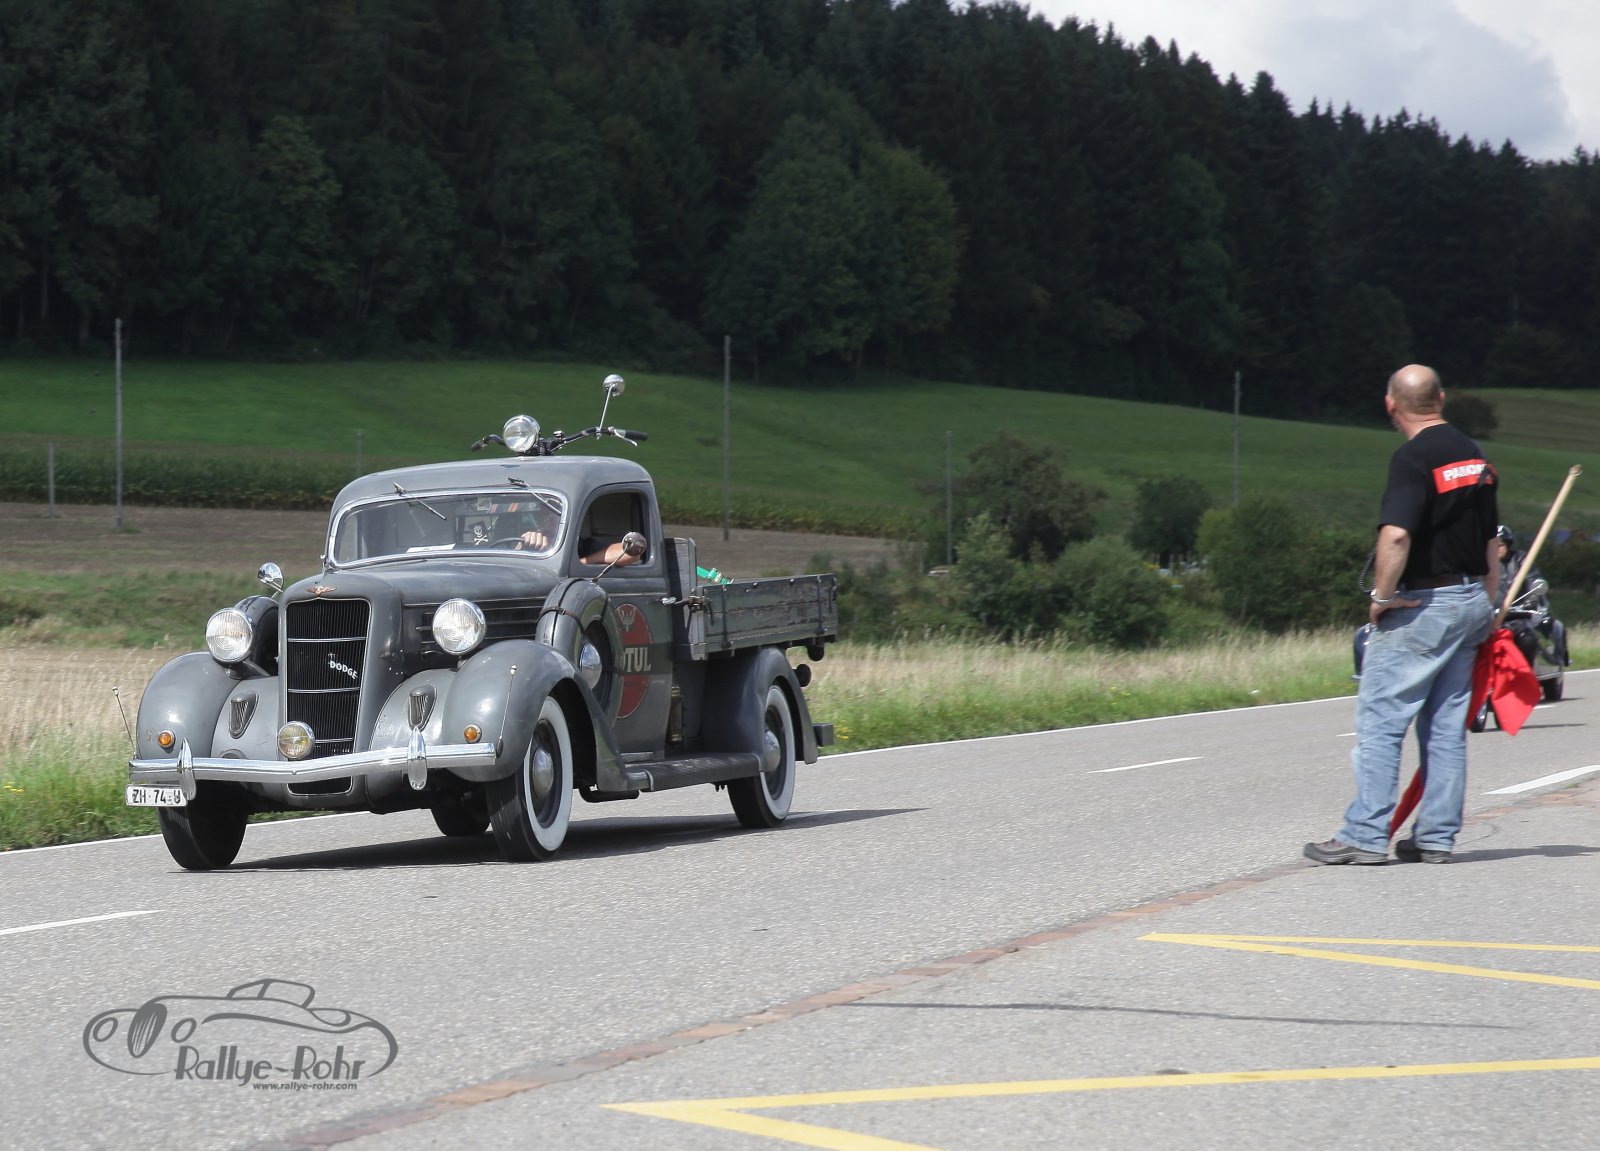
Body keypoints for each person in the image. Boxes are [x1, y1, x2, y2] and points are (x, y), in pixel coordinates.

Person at [1304, 364, 1498, 866]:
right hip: (1471, 600)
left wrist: (1382, 595)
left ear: (1391, 404)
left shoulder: (1413, 457)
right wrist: (1490, 603)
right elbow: (1491, 540)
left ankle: (1365, 835)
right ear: (1441, 399)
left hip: (1425, 605)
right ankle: (1436, 837)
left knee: (1381, 721)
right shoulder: (1474, 455)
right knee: (1445, 727)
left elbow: (1395, 535)